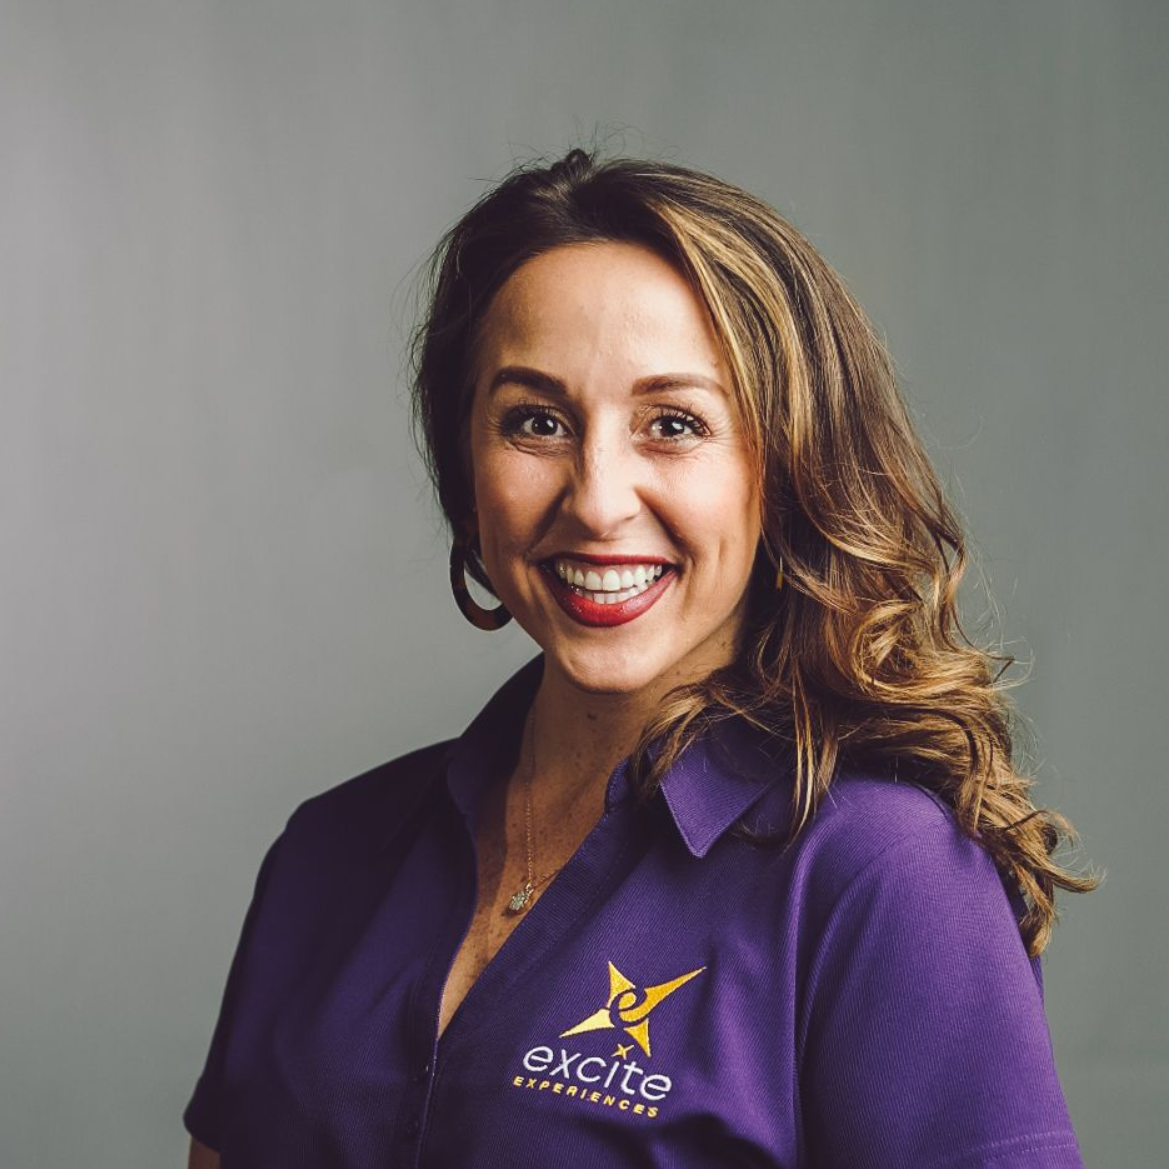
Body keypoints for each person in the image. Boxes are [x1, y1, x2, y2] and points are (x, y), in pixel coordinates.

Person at [183, 147, 1100, 1168]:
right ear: (463, 458)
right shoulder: (329, 851)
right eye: (535, 420)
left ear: (783, 466)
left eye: (672, 424)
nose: (596, 496)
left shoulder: (883, 876)